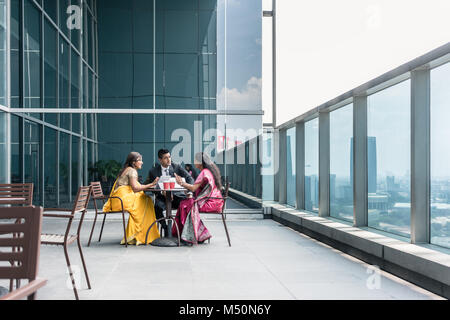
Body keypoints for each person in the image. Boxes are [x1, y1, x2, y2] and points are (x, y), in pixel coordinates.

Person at [103, 152, 160, 246]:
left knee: (145, 200)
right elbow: (135, 188)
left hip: (117, 199)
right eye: (140, 160)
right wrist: (151, 184)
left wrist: (148, 185)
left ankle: (137, 234)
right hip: (121, 200)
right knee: (146, 201)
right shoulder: (132, 171)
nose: (142, 162)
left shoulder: (127, 169)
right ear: (133, 162)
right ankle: (139, 235)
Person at [173, 152, 223, 244]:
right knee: (186, 203)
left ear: (200, 162)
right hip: (215, 202)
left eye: (195, 160)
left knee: (185, 204)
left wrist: (181, 183)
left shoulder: (204, 172)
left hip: (209, 203)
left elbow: (193, 188)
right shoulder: (208, 171)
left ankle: (189, 236)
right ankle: (197, 234)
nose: (194, 162)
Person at [144, 149, 194, 236]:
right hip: (162, 198)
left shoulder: (176, 167)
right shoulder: (153, 171)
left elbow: (190, 178)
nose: (169, 160)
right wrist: (160, 191)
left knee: (186, 206)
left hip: (177, 197)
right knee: (157, 208)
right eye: (165, 158)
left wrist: (189, 192)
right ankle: (166, 228)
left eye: (169, 157)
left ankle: (181, 230)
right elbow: (149, 186)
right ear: (160, 160)